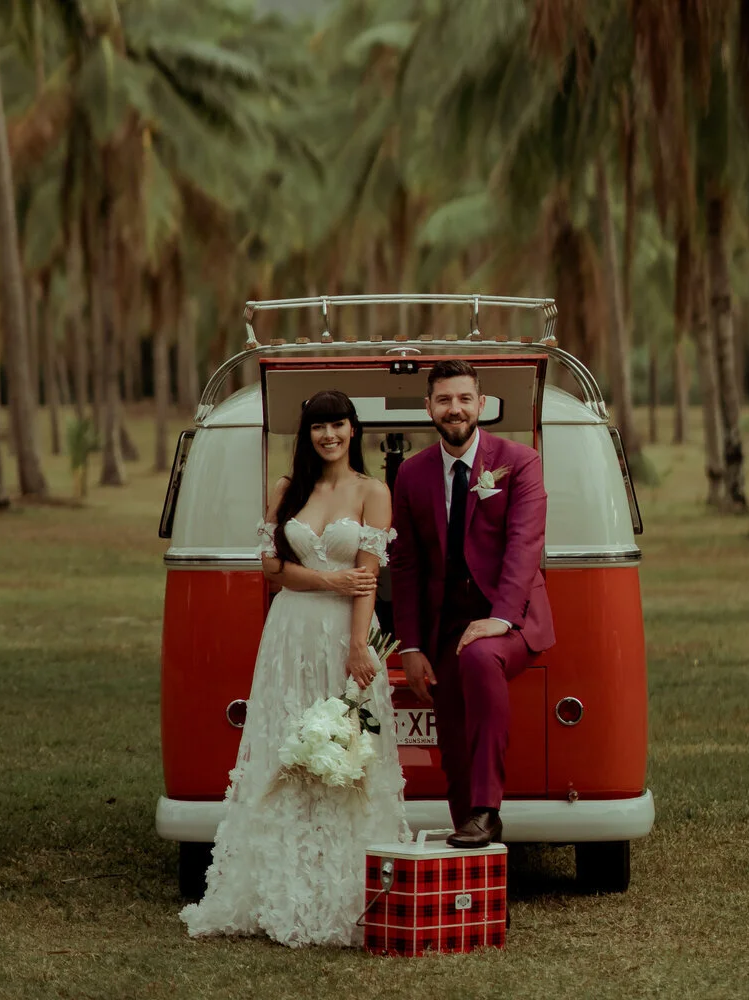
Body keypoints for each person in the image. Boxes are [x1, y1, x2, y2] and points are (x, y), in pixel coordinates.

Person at [180, 389, 410, 948]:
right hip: (288, 634)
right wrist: (329, 580)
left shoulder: (373, 492)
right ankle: (279, 889)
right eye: (317, 427)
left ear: (353, 429)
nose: (328, 435)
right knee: (286, 748)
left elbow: (368, 577)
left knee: (344, 754)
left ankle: (341, 894)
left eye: (337, 425)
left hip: (341, 636)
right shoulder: (289, 490)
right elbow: (271, 568)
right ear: (306, 435)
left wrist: (360, 646)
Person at [388, 359, 555, 848]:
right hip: (443, 627)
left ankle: (486, 809)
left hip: (512, 618)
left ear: (482, 404)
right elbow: (406, 566)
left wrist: (498, 619)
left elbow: (525, 547)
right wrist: (411, 646)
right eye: (443, 400)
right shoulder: (412, 475)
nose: (454, 409)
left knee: (479, 659)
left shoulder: (520, 461)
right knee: (453, 737)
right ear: (428, 409)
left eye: (464, 398)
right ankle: (472, 840)